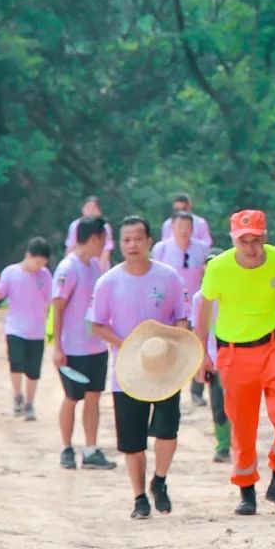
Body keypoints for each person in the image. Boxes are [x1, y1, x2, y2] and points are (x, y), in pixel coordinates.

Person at [195, 210, 275, 516]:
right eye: (244, 241)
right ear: (234, 241)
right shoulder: (218, 268)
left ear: (265, 237)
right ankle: (246, 491)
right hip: (233, 354)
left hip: (274, 346)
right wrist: (202, 353)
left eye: (256, 240)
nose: (251, 247)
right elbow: (203, 309)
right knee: (242, 426)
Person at [89, 216, 188, 518]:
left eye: (137, 239)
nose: (132, 245)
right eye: (126, 240)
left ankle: (159, 480)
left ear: (149, 242)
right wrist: (126, 344)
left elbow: (182, 317)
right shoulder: (108, 281)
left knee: (167, 432)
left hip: (165, 369)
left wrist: (172, 341)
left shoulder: (169, 277)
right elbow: (97, 324)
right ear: (120, 244)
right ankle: (139, 497)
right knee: (132, 441)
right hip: (127, 372)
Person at [52, 216, 117, 471]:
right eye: (104, 239)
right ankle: (66, 448)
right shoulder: (68, 268)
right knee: (72, 397)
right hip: (73, 348)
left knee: (93, 398)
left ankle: (90, 449)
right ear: (94, 238)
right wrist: (58, 346)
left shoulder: (94, 267)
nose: (105, 245)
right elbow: (57, 308)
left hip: (96, 348)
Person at [0, 236, 52, 421]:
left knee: (33, 371)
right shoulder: (11, 272)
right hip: (15, 328)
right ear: (28, 255)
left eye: (42, 263)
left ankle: (30, 404)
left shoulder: (45, 275)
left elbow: (49, 301)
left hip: (37, 331)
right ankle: (17, 396)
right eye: (37, 261)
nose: (39, 266)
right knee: (16, 364)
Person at [152, 211, 211, 406]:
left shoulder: (202, 249)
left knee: (198, 346)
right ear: (172, 228)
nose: (184, 231)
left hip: (196, 306)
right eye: (180, 227)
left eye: (188, 227)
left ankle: (197, 390)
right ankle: (169, 390)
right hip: (170, 307)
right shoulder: (161, 249)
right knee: (170, 348)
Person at [191, 279, 231, 463]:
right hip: (213, 357)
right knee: (218, 404)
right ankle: (223, 446)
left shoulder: (232, 292)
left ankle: (238, 444)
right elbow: (198, 330)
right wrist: (204, 358)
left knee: (239, 404)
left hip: (236, 356)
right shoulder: (199, 298)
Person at [65, 196, 115, 269]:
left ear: (99, 210)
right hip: (80, 266)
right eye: (88, 208)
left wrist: (101, 270)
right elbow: (71, 246)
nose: (90, 211)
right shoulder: (75, 225)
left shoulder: (104, 227)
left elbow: (106, 250)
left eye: (93, 208)